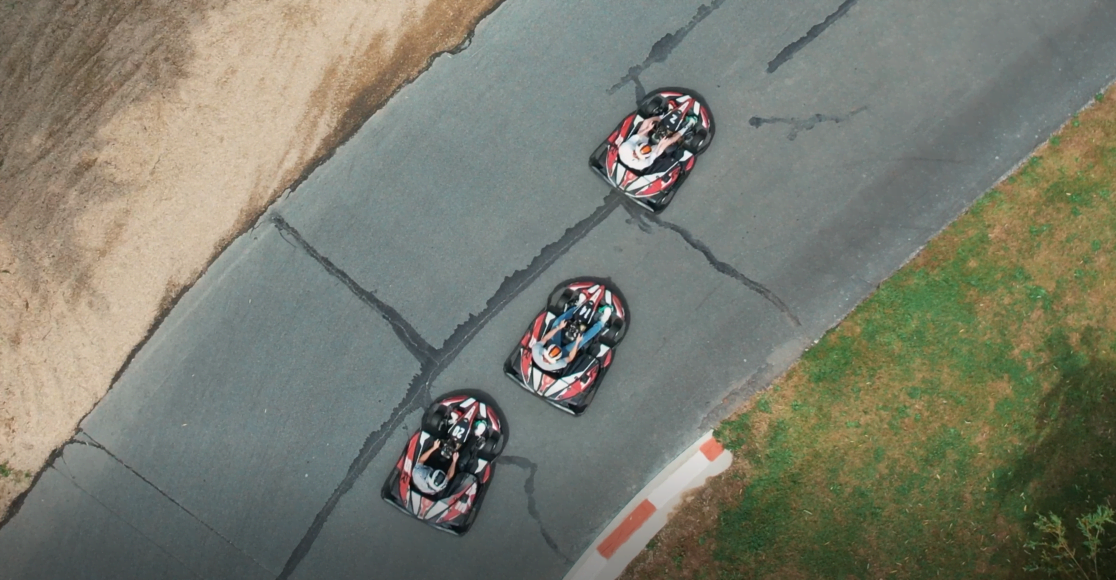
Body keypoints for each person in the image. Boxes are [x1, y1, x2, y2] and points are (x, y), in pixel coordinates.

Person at [530, 304, 613, 372]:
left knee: (556, 324)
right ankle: (602, 322)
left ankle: (575, 307)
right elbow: (570, 358)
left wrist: (559, 327)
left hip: (553, 344)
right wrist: (577, 342)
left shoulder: (536, 349)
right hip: (564, 354)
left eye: (555, 349)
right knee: (583, 340)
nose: (557, 348)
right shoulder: (558, 364)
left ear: (547, 350)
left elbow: (546, 338)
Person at [618, 115, 685, 172]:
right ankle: (686, 128)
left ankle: (662, 116)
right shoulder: (644, 163)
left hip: (634, 147)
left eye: (645, 147)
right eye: (647, 149)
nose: (647, 146)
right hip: (650, 155)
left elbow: (637, 136)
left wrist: (648, 129)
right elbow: (654, 154)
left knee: (646, 122)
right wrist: (661, 143)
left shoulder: (626, 147)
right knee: (668, 142)